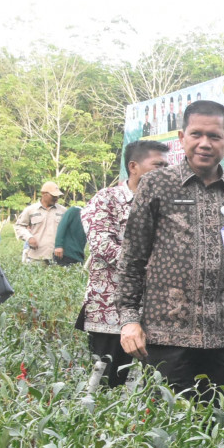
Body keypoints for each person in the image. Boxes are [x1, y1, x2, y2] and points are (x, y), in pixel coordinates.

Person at [117, 100, 224, 402]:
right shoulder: (156, 184)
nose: (204, 143)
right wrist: (129, 319)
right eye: (196, 134)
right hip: (165, 334)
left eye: (214, 136)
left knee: (212, 424)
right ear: (182, 138)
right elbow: (132, 257)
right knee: (165, 430)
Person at [78, 140, 169, 387]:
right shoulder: (107, 199)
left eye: (167, 165)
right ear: (133, 166)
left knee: (158, 384)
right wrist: (155, 267)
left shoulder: (169, 204)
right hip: (111, 311)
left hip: (158, 311)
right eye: (158, 165)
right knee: (105, 383)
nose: (165, 170)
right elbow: (101, 245)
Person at [15, 181, 66, 264]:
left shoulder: (63, 211)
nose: (56, 198)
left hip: (57, 257)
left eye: (58, 196)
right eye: (53, 196)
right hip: (36, 257)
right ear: (43, 194)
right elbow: (19, 227)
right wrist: (29, 238)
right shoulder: (30, 210)